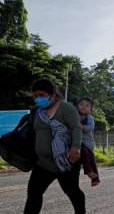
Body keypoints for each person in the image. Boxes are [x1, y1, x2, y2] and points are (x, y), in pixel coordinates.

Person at [25, 79, 85, 214]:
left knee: (72, 191)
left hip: (66, 161)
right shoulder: (36, 112)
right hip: (42, 163)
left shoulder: (66, 108)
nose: (38, 98)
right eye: (35, 96)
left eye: (41, 95)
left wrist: (76, 147)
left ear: (52, 94)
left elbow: (76, 127)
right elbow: (30, 133)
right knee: (33, 193)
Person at [78, 97, 100, 187]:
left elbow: (91, 128)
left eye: (87, 105)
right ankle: (95, 179)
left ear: (91, 109)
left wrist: (82, 127)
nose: (83, 107)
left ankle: (88, 171)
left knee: (87, 156)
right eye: (81, 104)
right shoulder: (75, 116)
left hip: (87, 142)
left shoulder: (89, 117)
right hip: (79, 142)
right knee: (91, 159)